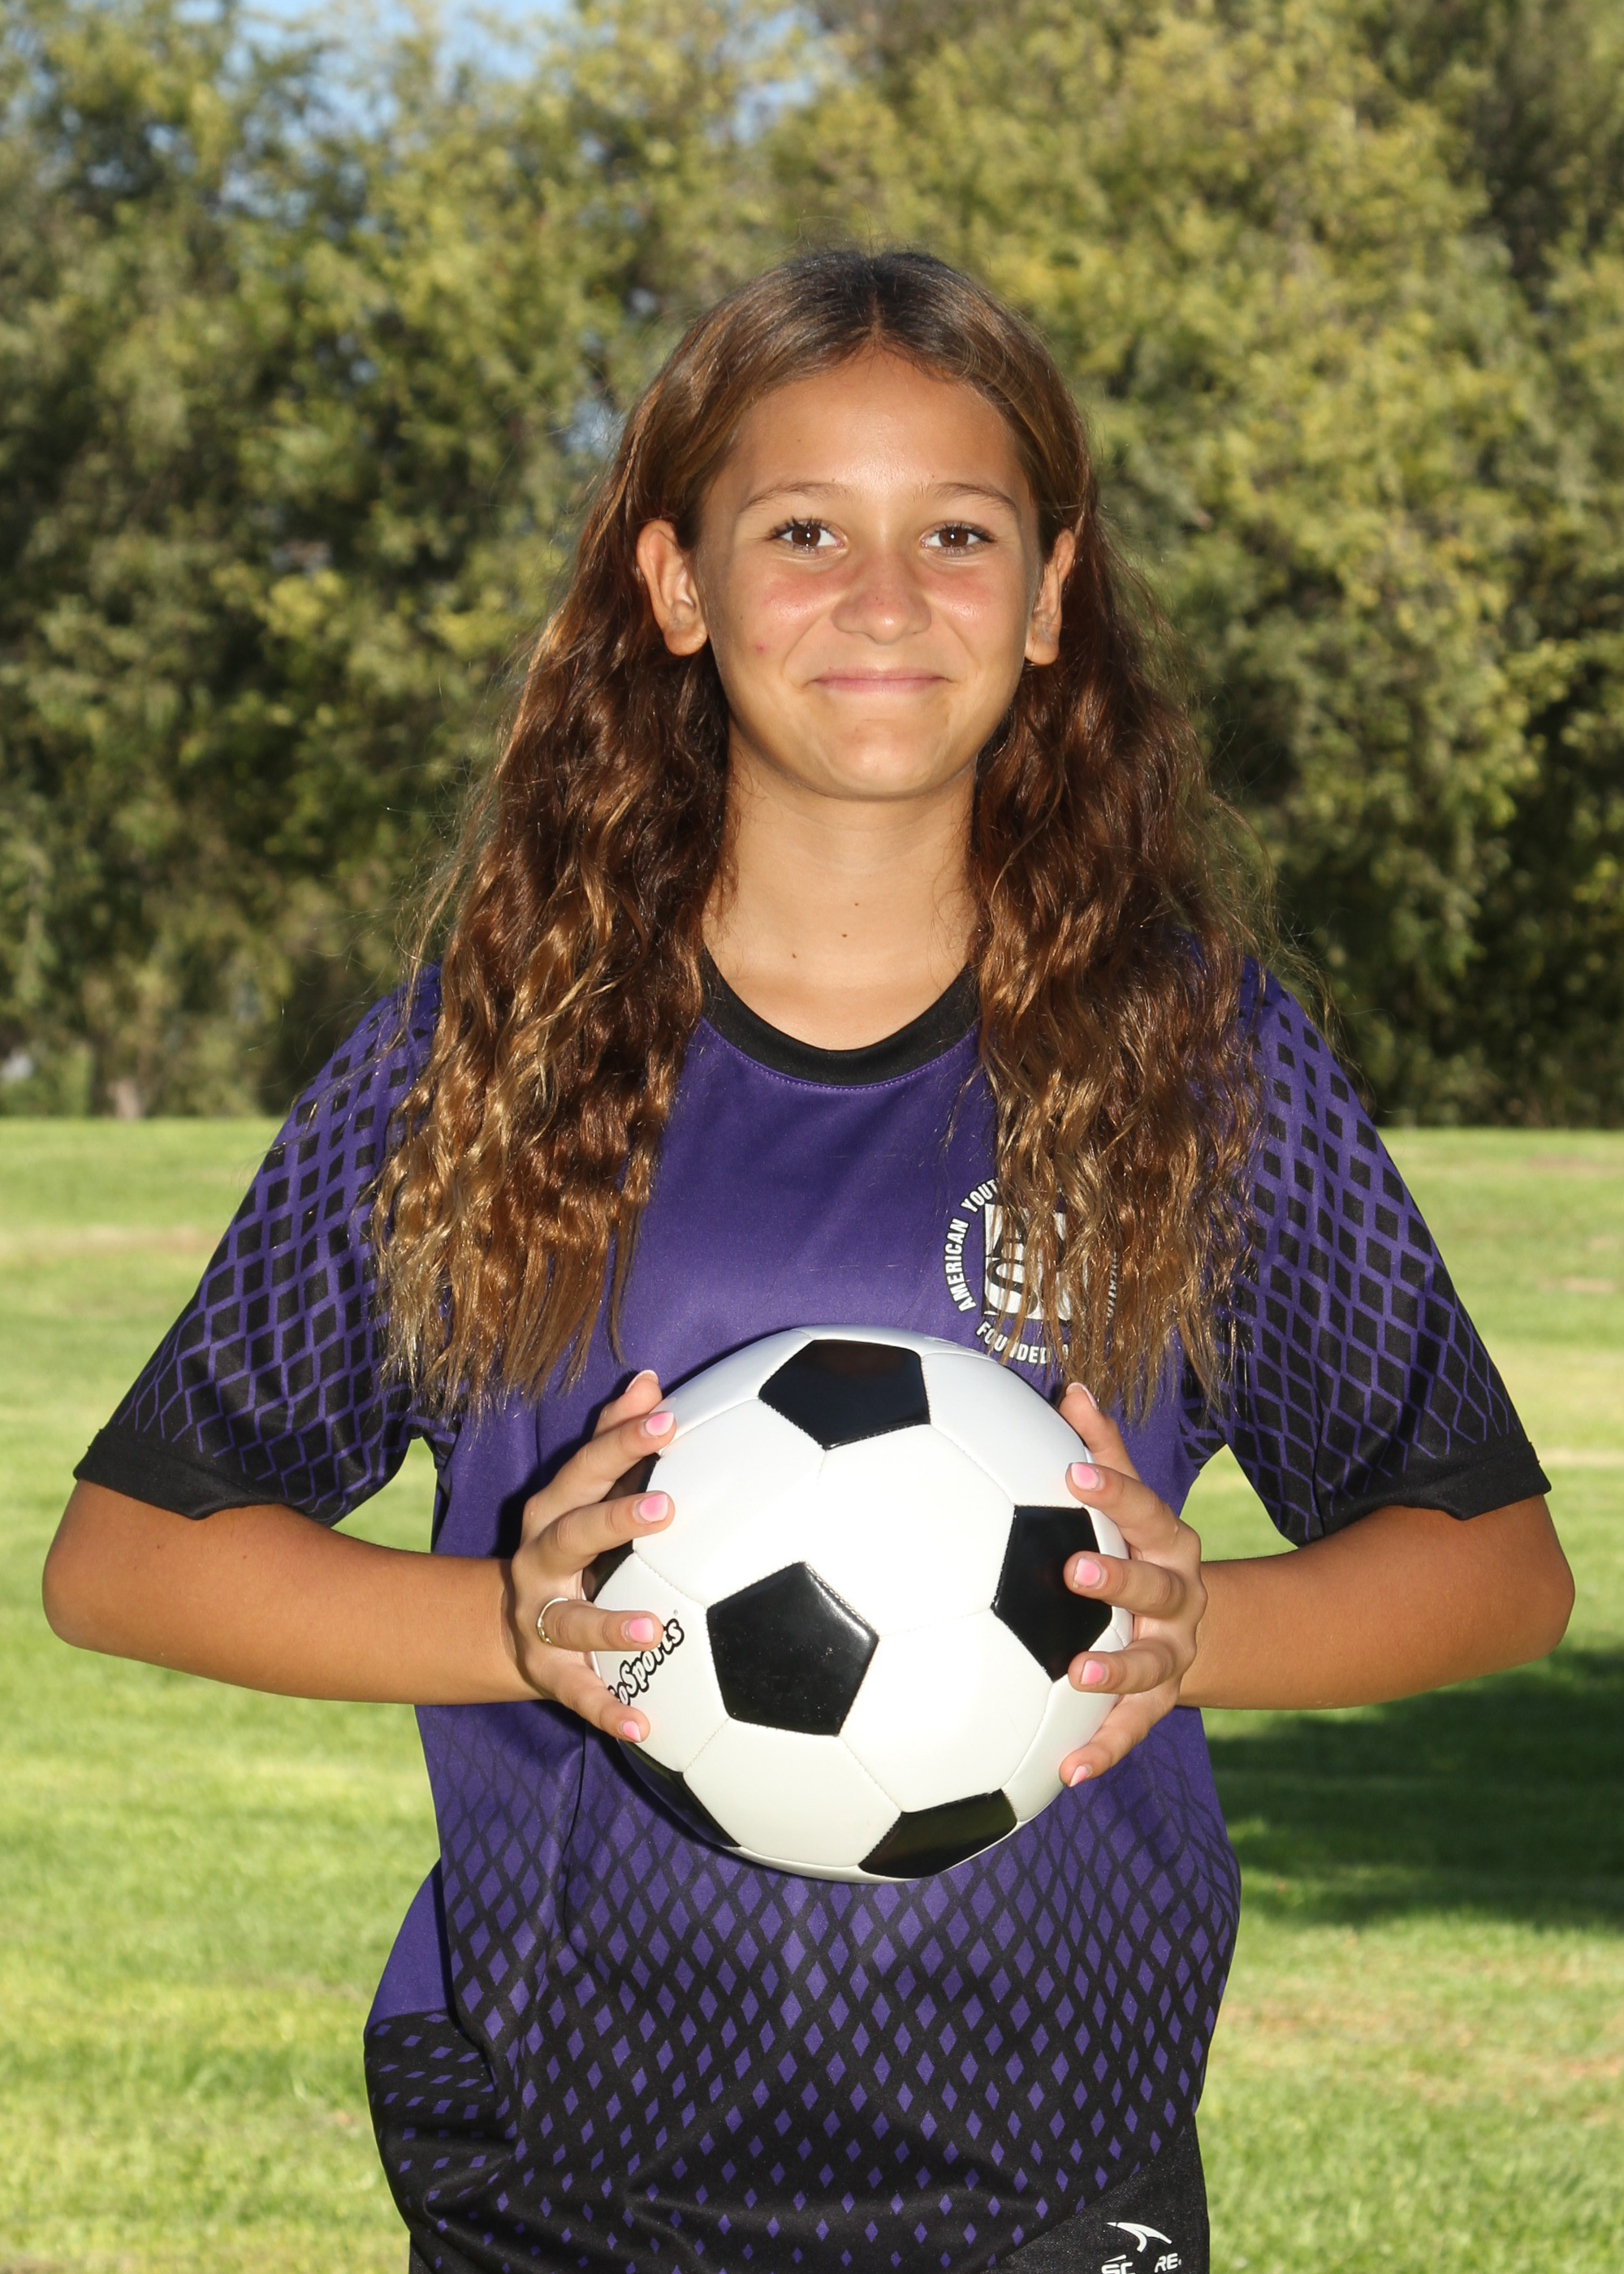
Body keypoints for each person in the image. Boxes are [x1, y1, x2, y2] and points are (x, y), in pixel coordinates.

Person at [43, 251, 1571, 2274]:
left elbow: (1496, 1562)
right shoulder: (487, 1058)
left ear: (1049, 593)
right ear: (676, 584)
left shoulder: (1185, 1060)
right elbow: (124, 1556)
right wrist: (505, 1625)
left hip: (1052, 2161)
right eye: (801, 532)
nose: (882, 598)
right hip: (561, 2174)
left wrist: (1203, 1630)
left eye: (956, 533)